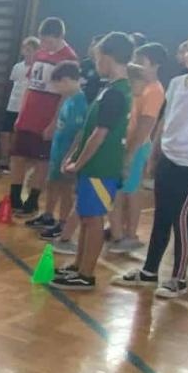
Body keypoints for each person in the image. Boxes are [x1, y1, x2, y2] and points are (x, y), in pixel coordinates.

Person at [115, 30, 188, 298]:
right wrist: (154, 153)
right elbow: (166, 120)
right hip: (169, 156)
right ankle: (149, 271)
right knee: (161, 217)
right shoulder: (177, 83)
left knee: (180, 218)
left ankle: (178, 278)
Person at [52, 31, 133, 291]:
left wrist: (79, 162)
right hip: (94, 166)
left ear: (108, 58)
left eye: (98, 58)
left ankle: (86, 274)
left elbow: (99, 134)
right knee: (87, 216)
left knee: (93, 218)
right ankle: (78, 266)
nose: (96, 64)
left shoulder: (116, 93)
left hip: (100, 166)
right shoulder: (109, 89)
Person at [6, 19, 79, 218]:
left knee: (42, 160)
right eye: (43, 41)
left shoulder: (69, 58)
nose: (45, 46)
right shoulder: (39, 53)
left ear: (60, 37)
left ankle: (32, 200)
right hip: (29, 113)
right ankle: (14, 196)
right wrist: (21, 112)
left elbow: (65, 95)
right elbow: (30, 85)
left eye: (49, 42)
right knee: (17, 155)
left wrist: (54, 122)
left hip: (47, 117)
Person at [109, 42, 167, 254]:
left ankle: (129, 234)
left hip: (136, 147)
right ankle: (119, 230)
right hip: (127, 145)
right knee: (123, 190)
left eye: (141, 62)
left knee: (130, 191)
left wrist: (130, 153)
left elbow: (145, 125)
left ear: (156, 65)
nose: (135, 65)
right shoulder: (137, 86)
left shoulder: (154, 91)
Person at [39, 61, 86, 251]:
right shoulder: (67, 99)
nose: (55, 89)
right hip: (57, 149)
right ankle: (48, 215)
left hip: (67, 152)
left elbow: (80, 133)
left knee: (66, 188)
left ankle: (63, 222)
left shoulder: (80, 102)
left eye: (57, 84)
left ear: (66, 81)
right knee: (52, 183)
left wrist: (70, 155)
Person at [0, 37, 35, 177]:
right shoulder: (18, 67)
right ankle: (3, 160)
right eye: (25, 49)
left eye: (30, 50)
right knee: (5, 132)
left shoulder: (37, 69)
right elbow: (13, 84)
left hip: (26, 108)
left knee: (18, 135)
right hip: (13, 104)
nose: (27, 53)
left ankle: (14, 163)